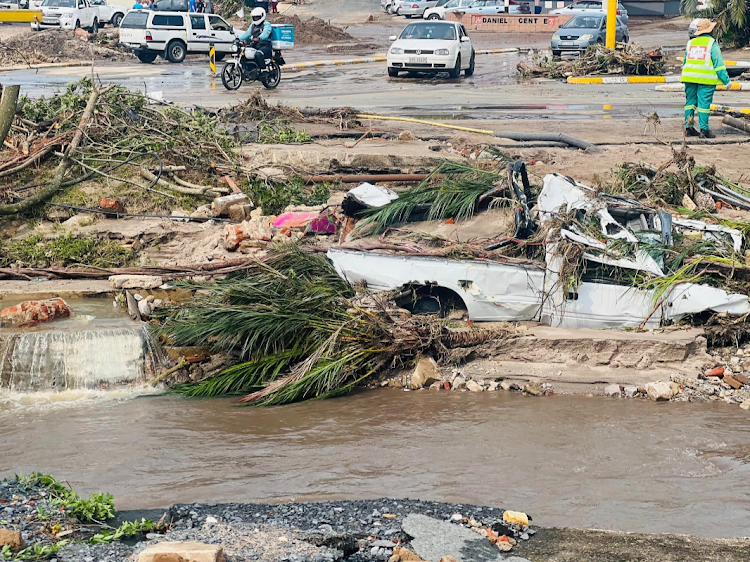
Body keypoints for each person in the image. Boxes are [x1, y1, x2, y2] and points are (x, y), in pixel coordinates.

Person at [681, 18, 731, 139]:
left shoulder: (690, 43)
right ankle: (704, 130)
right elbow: (718, 65)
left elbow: (684, 62)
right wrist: (726, 81)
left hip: (689, 77)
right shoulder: (711, 44)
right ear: (710, 31)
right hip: (706, 79)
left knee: (690, 103)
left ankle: (688, 128)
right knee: (704, 104)